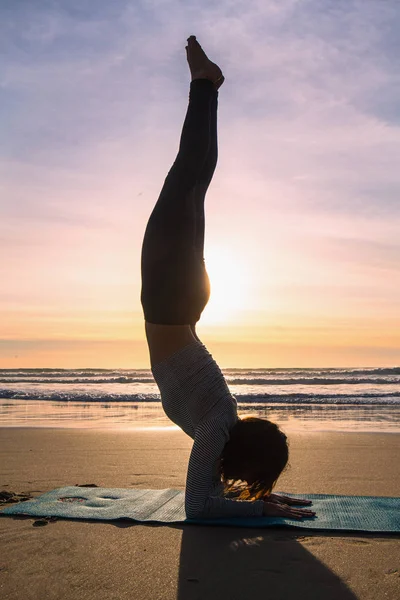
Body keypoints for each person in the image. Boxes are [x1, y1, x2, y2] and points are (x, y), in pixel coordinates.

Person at [140, 35, 315, 520]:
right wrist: (265, 509)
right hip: (170, 299)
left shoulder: (219, 427)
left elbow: (205, 502)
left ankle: (208, 85)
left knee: (192, 182)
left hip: (183, 301)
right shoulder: (216, 428)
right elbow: (200, 509)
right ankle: (203, 83)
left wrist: (262, 502)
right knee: (186, 179)